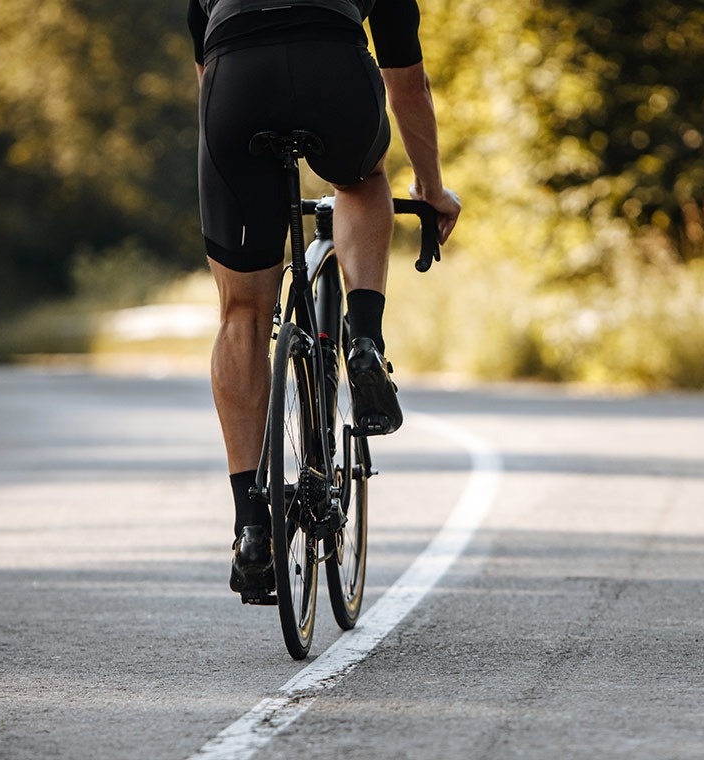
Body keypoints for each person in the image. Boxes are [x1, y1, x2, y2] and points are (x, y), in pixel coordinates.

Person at [187, 0, 461, 598]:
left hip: (236, 80)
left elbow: (208, 75)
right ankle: (363, 341)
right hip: (333, 68)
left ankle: (252, 527)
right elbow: (407, 86)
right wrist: (432, 188)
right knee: (361, 181)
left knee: (241, 315)